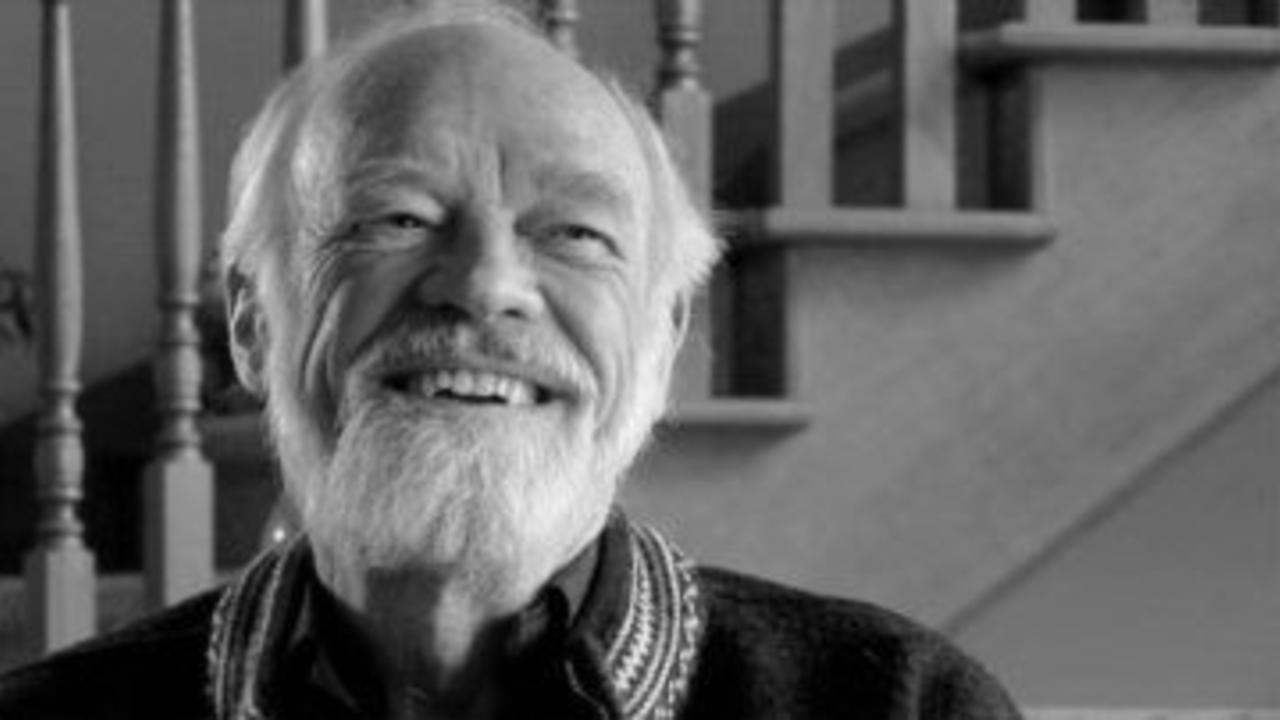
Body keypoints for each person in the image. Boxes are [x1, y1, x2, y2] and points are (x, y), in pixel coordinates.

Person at [0, 2, 1022, 718]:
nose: (486, 283)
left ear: (662, 340)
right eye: (396, 219)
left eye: (574, 234)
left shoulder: (896, 704)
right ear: (252, 325)